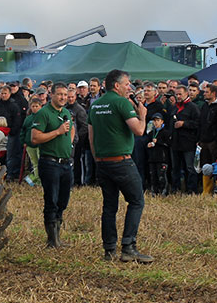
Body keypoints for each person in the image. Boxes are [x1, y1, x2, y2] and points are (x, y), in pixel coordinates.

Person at [88, 69, 153, 263]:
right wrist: (142, 115)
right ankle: (128, 246)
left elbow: (91, 137)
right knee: (136, 201)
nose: (129, 88)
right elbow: (139, 130)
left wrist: (98, 159)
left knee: (109, 206)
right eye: (127, 84)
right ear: (116, 85)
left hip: (102, 162)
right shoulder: (122, 103)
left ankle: (109, 249)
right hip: (121, 162)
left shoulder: (95, 105)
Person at [30, 83, 74, 249]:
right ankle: (52, 240)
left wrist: (67, 144)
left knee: (63, 201)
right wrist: (58, 132)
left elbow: (72, 129)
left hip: (65, 163)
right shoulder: (43, 113)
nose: (63, 97)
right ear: (52, 95)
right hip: (50, 163)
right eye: (60, 94)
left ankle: (58, 237)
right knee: (51, 200)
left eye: (65, 94)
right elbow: (35, 138)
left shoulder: (66, 112)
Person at [170, 85, 200, 193]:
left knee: (190, 168)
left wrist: (184, 123)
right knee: (175, 168)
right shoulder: (174, 107)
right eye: (176, 94)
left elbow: (198, 123)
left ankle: (191, 190)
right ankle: (175, 189)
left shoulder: (193, 107)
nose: (178, 96)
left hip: (188, 142)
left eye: (180, 94)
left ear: (186, 94)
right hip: (175, 142)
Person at [20, 97, 44, 186]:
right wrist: (23, 142)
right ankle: (37, 180)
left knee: (41, 162)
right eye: (33, 106)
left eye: (36, 106)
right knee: (34, 163)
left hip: (40, 144)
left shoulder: (44, 117)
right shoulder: (28, 119)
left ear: (41, 106)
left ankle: (42, 180)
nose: (34, 108)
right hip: (30, 145)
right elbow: (23, 130)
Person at [145, 112, 171, 195]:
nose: (156, 122)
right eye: (154, 120)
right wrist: (148, 145)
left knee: (162, 176)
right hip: (152, 158)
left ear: (162, 121)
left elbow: (168, 144)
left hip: (162, 158)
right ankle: (154, 191)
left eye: (158, 120)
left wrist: (159, 142)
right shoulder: (150, 133)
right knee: (153, 176)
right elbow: (147, 143)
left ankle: (164, 191)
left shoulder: (166, 132)